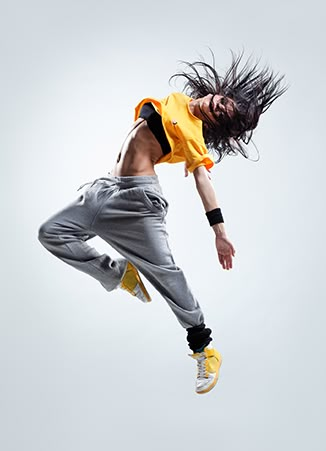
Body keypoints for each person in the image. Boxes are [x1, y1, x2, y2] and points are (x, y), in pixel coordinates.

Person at [38, 50, 287, 394]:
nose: (215, 107)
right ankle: (118, 272)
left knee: (165, 274)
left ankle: (204, 349)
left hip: (139, 202)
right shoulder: (177, 100)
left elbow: (203, 181)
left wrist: (220, 233)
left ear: (216, 125)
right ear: (219, 93)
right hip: (105, 190)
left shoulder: (195, 135)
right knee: (51, 233)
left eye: (220, 115)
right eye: (222, 103)